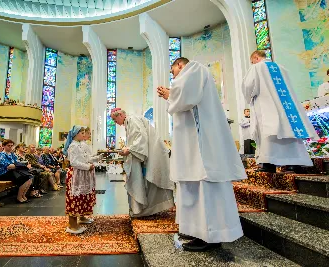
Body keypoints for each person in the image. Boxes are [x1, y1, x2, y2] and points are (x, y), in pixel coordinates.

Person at [157, 57, 246, 251]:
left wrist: (170, 94)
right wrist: (171, 95)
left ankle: (212, 236)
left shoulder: (195, 69)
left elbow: (186, 98)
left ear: (180, 65)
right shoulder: (192, 76)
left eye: (172, 71)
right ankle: (198, 231)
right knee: (193, 186)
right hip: (191, 145)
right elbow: (183, 98)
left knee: (205, 186)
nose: (173, 76)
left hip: (201, 146)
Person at [242, 50, 318, 173]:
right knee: (289, 131)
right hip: (287, 108)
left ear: (256, 58)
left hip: (267, 107)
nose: (252, 63)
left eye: (252, 61)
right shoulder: (281, 68)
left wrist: (248, 97)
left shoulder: (257, 68)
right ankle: (295, 163)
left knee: (270, 132)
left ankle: (269, 164)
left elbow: (248, 86)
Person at [110, 108, 175, 217]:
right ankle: (146, 208)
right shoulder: (130, 121)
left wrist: (129, 149)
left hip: (153, 153)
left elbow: (141, 138)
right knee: (148, 181)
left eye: (115, 120)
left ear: (120, 115)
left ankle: (144, 209)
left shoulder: (132, 120)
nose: (115, 122)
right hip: (147, 152)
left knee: (151, 179)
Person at [63, 126, 97, 234]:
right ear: (75, 134)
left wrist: (95, 160)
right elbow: (74, 162)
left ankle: (80, 219)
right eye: (81, 132)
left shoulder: (78, 145)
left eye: (84, 132)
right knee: (74, 199)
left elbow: (85, 158)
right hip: (75, 175)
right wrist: (88, 167)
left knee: (81, 197)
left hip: (81, 174)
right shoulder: (73, 146)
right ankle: (72, 226)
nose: (84, 134)